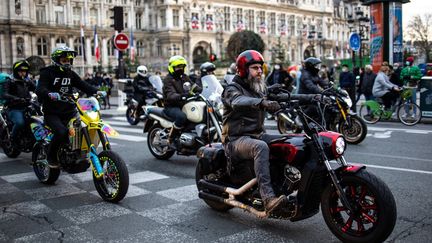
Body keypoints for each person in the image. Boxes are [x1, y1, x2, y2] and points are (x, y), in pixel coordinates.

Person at [221, 50, 285, 214]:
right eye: (255, 68)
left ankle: (283, 184)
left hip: (256, 135)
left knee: (288, 141)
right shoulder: (231, 89)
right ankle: (268, 198)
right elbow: (238, 101)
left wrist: (315, 97)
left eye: (260, 67)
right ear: (243, 69)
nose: (259, 71)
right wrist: (262, 103)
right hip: (235, 139)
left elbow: (286, 97)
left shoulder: (257, 87)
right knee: (260, 147)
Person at [35, 46, 104, 168]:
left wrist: (96, 91)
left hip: (70, 111)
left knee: (86, 127)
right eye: (64, 60)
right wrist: (49, 93)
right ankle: (51, 156)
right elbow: (40, 89)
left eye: (69, 60)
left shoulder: (70, 74)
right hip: (52, 113)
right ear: (56, 60)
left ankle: (78, 152)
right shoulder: (47, 72)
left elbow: (83, 85)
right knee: (61, 132)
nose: (67, 62)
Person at [162, 55, 202, 147]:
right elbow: (170, 94)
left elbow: (193, 86)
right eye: (178, 67)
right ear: (172, 67)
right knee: (182, 117)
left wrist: (202, 91)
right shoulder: (168, 80)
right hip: (171, 106)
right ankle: (171, 139)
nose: (180, 69)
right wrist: (182, 96)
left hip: (184, 104)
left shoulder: (184, 77)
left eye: (182, 67)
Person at [2, 60, 35, 145]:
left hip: (28, 106)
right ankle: (12, 138)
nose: (23, 73)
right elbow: (4, 94)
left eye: (24, 71)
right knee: (20, 123)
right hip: (14, 108)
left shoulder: (27, 81)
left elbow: (37, 89)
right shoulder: (9, 80)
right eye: (21, 71)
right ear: (16, 71)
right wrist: (16, 98)